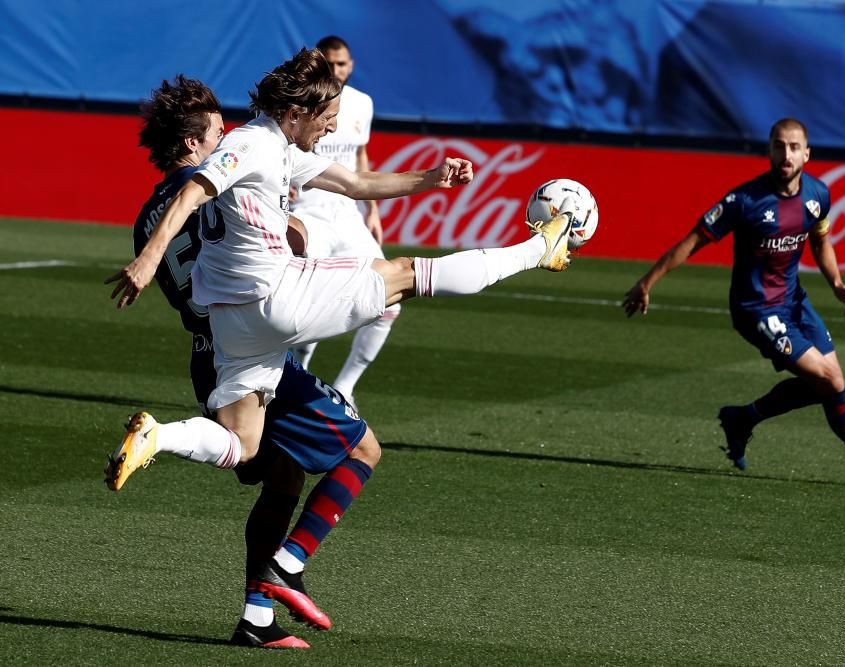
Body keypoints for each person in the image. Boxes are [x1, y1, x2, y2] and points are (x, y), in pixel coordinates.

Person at [105, 48, 577, 637]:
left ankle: (161, 440)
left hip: (229, 333)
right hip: (276, 298)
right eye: (327, 113)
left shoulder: (267, 147)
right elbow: (198, 188)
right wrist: (150, 260)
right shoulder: (250, 145)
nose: (334, 125)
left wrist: (429, 179)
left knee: (245, 446)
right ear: (297, 110)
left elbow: (354, 181)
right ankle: (541, 248)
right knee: (408, 276)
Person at [124, 74, 392, 649]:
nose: (229, 138)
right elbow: (287, 242)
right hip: (252, 349)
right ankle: (285, 567)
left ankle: (257, 619)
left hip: (206, 353)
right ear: (194, 147)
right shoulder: (221, 185)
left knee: (283, 478)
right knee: (363, 448)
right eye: (219, 132)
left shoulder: (146, 218)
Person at [622, 117, 845, 491]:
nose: (786, 154)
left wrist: (837, 283)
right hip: (756, 310)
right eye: (779, 146)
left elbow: (820, 241)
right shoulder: (744, 201)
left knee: (826, 386)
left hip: (795, 301)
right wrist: (647, 282)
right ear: (769, 150)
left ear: (807, 154)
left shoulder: (817, 195)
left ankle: (743, 418)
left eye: (794, 147)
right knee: (832, 380)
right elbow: (693, 240)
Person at [289, 36, 390, 406]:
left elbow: (360, 156)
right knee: (305, 297)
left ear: (351, 65)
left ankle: (345, 387)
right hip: (309, 214)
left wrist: (373, 210)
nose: (337, 70)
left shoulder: (362, 103)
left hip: (348, 216)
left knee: (390, 301)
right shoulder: (297, 103)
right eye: (330, 64)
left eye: (343, 64)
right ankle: (294, 376)